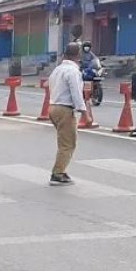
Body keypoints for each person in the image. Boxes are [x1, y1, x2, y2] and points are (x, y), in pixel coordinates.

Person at [46, 43, 90, 186]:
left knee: (64, 141)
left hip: (53, 107)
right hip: (64, 109)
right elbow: (76, 94)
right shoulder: (73, 71)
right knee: (68, 143)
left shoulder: (57, 70)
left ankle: (61, 170)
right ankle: (57, 174)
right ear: (78, 55)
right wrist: (85, 114)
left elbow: (49, 86)